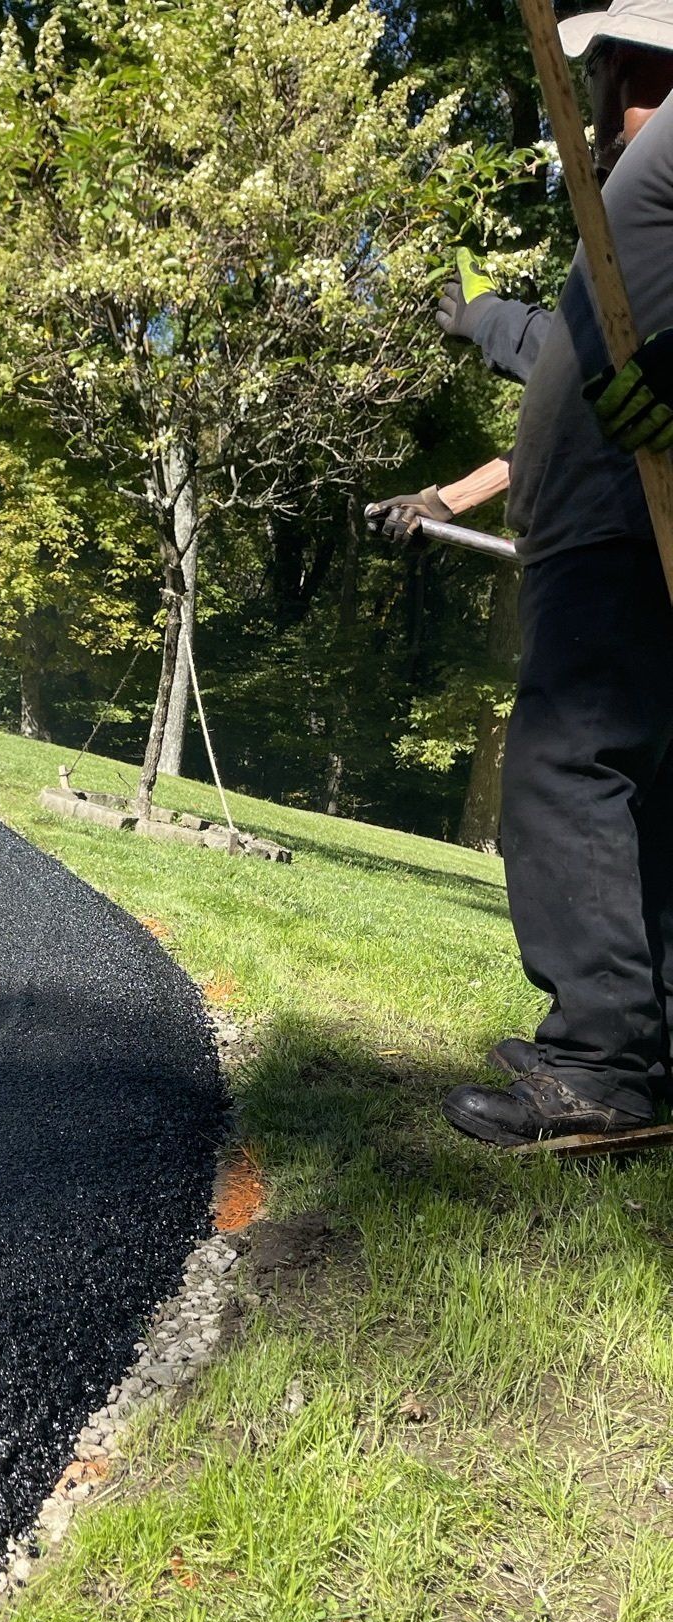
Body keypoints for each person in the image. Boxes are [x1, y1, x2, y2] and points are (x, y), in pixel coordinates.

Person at [370, 1, 673, 1146]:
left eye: (603, 80)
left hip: (625, 536)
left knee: (569, 771)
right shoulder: (632, 207)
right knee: (643, 794)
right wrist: (482, 329)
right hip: (598, 534)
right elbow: (571, 356)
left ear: (641, 69)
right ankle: (646, 1047)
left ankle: (598, 1065)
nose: (590, 111)